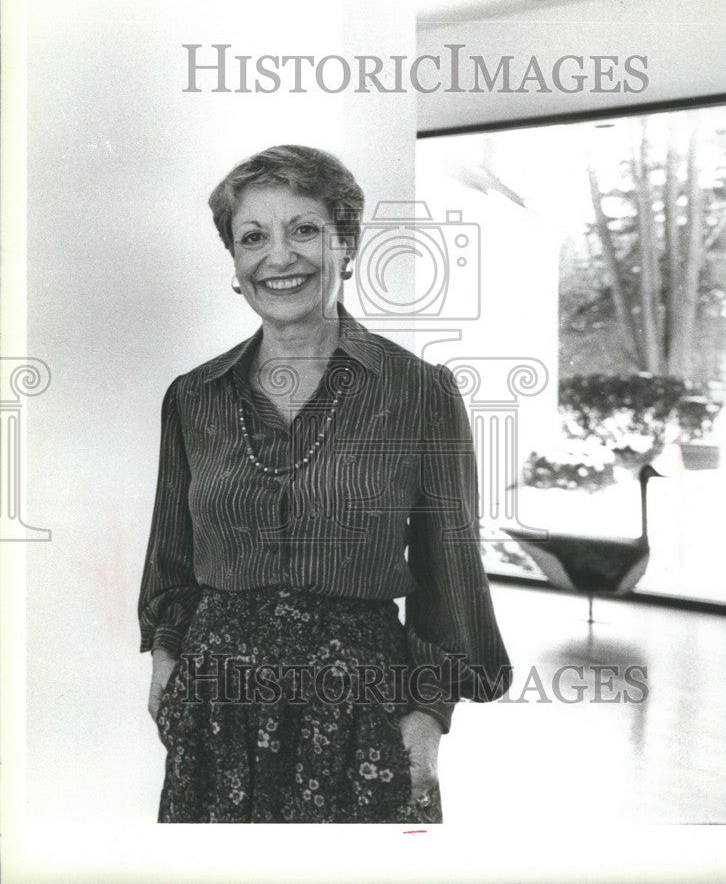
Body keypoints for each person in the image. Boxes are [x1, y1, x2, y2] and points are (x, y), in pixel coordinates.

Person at [138, 144, 512, 823]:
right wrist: (166, 656)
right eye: (253, 238)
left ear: (347, 244)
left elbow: (448, 566)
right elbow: (171, 558)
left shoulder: (419, 392)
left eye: (304, 229)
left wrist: (429, 712)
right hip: (216, 707)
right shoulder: (192, 397)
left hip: (360, 706)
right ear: (235, 265)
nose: (277, 257)